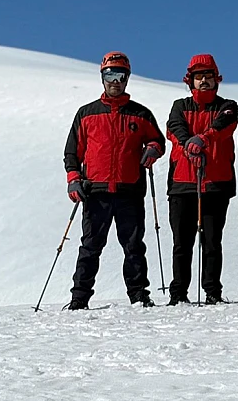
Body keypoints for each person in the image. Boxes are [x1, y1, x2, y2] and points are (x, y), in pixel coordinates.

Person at [63, 51, 166, 310]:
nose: (115, 81)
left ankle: (139, 295)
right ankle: (79, 298)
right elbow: (72, 151)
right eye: (110, 75)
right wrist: (74, 179)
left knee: (133, 246)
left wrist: (152, 149)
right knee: (90, 246)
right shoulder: (86, 114)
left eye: (121, 75)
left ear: (127, 78)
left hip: (129, 190)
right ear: (103, 77)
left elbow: (158, 141)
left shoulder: (140, 114)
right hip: (95, 192)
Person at [165, 54, 238, 305]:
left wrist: (203, 138)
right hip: (182, 184)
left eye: (208, 76)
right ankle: (178, 293)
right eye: (199, 77)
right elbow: (175, 128)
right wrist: (188, 144)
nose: (204, 81)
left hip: (216, 184)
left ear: (216, 79)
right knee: (181, 243)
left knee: (212, 242)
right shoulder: (179, 105)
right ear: (191, 81)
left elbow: (224, 124)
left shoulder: (227, 105)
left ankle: (212, 292)